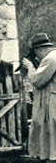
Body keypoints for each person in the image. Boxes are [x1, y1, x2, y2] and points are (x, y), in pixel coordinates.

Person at [22, 33, 56, 163]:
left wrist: (30, 67)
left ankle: (51, 157)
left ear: (39, 49)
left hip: (52, 100)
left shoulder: (50, 59)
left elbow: (37, 81)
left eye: (36, 52)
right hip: (51, 97)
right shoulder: (53, 56)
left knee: (50, 129)